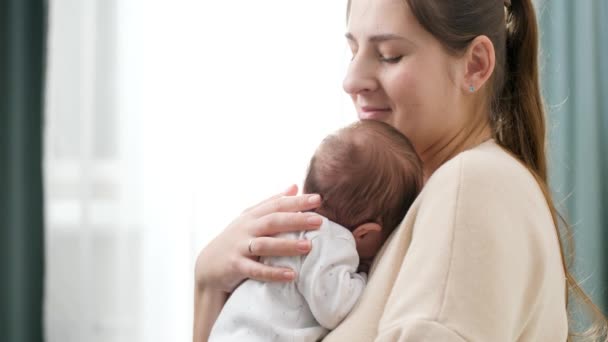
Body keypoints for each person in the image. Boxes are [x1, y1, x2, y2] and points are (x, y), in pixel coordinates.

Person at [194, 0, 608, 341]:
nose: (351, 79)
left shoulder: (473, 186)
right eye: (353, 50)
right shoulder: (420, 208)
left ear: (476, 65)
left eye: (390, 54)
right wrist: (210, 288)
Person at [208, 120, 422, 341]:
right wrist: (363, 278)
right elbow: (335, 309)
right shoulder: (332, 239)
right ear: (365, 232)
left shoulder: (285, 224)